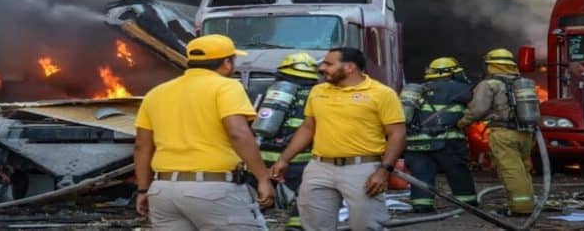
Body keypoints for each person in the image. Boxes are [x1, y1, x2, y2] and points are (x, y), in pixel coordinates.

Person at [134, 34, 275, 230]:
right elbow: (238, 134)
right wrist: (262, 178)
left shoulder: (156, 93)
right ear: (227, 62)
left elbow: (142, 146)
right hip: (214, 190)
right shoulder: (226, 87)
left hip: (163, 191)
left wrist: (143, 189)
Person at [270, 47, 406, 231]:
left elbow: (397, 134)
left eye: (329, 64)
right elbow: (308, 128)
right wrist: (284, 160)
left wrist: (383, 171)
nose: (322, 68)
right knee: (314, 226)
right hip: (319, 167)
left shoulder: (382, 93)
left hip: (362, 169)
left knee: (366, 226)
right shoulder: (318, 91)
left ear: (350, 67)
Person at [457, 48, 535, 217]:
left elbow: (478, 109)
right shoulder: (522, 82)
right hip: (526, 133)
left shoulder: (489, 84)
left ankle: (521, 208)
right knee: (523, 168)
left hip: (503, 132)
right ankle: (528, 203)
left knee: (510, 170)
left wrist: (462, 122)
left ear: (491, 65)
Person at [401, 57, 477, 213]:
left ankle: (421, 205)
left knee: (421, 173)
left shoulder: (416, 90)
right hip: (448, 141)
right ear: (450, 72)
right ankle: (467, 204)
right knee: (457, 171)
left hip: (416, 141)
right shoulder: (461, 89)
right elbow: (476, 109)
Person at [255, 52, 319, 229]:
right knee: (304, 206)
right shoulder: (318, 95)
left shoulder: (270, 91)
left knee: (255, 204)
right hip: (299, 161)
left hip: (263, 160)